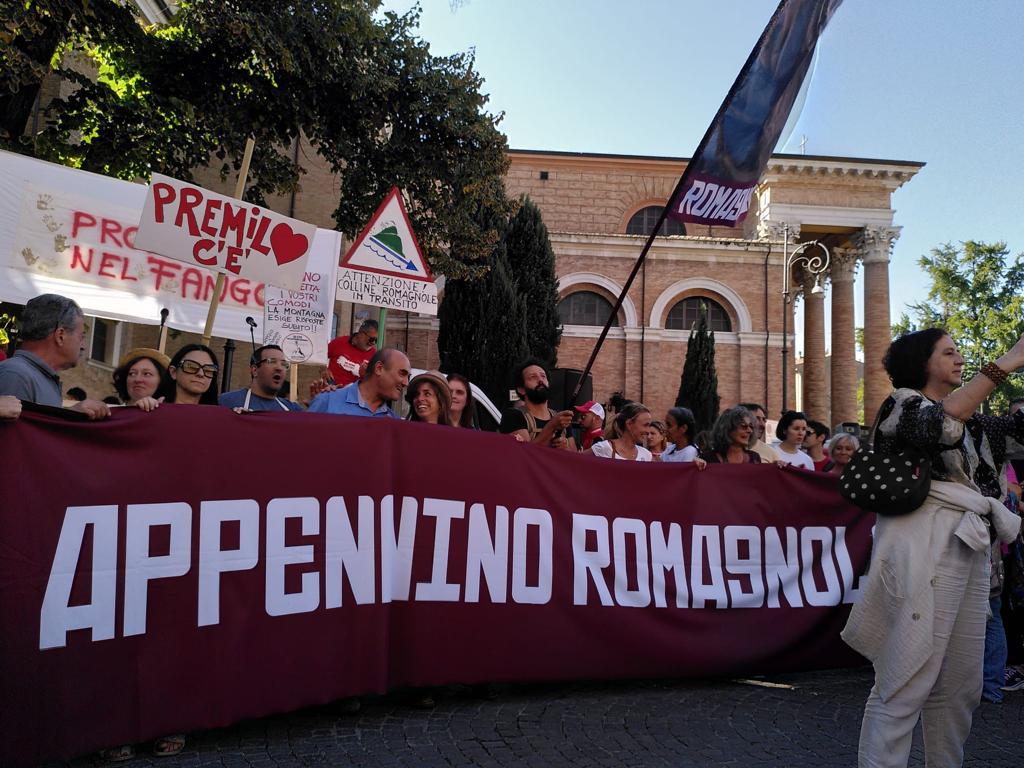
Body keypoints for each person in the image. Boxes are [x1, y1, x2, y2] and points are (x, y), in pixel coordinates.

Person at [841, 328, 1024, 768]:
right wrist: (1008, 361)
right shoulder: (901, 405)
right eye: (949, 352)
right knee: (906, 679)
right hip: (921, 545)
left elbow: (1012, 432)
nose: (960, 359)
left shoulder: (978, 423)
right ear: (923, 363)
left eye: (960, 351)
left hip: (969, 548)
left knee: (960, 686)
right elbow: (942, 425)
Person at [0, 294, 109, 419]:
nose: (83, 345)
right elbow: (17, 436)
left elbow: (37, 428)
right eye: (81, 336)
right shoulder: (16, 375)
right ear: (60, 335)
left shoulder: (33, 376)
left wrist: (69, 415)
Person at [308, 348, 410, 418]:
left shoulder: (392, 421)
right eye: (402, 373)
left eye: (408, 377)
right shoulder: (328, 401)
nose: (406, 383)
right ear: (379, 369)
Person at [499, 359, 573, 449]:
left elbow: (576, 458)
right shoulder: (513, 416)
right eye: (533, 377)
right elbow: (526, 454)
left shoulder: (562, 419)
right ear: (521, 389)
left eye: (543, 376)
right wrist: (552, 426)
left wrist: (566, 448)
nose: (540, 380)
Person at [219, 344, 302, 412]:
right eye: (272, 361)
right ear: (254, 370)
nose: (279, 368)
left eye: (284, 364)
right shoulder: (226, 402)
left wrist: (315, 403)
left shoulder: (292, 409)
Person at [156, 344, 220, 405]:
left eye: (208, 370)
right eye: (191, 367)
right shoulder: (153, 409)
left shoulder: (219, 415)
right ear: (173, 372)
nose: (201, 374)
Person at [588, 402, 653, 461]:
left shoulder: (647, 455)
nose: (648, 431)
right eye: (645, 425)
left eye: (649, 426)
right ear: (629, 424)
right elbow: (579, 461)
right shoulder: (604, 448)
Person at [112, 347, 170, 412]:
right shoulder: (108, 412)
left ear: (162, 380)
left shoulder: (168, 414)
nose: (137, 379)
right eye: (132, 374)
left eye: (147, 374)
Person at [327, 319, 378, 387]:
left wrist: (366, 375)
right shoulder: (340, 342)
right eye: (371, 339)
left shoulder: (374, 355)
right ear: (361, 334)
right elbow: (319, 356)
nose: (373, 343)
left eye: (375, 340)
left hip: (354, 395)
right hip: (331, 390)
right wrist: (323, 369)